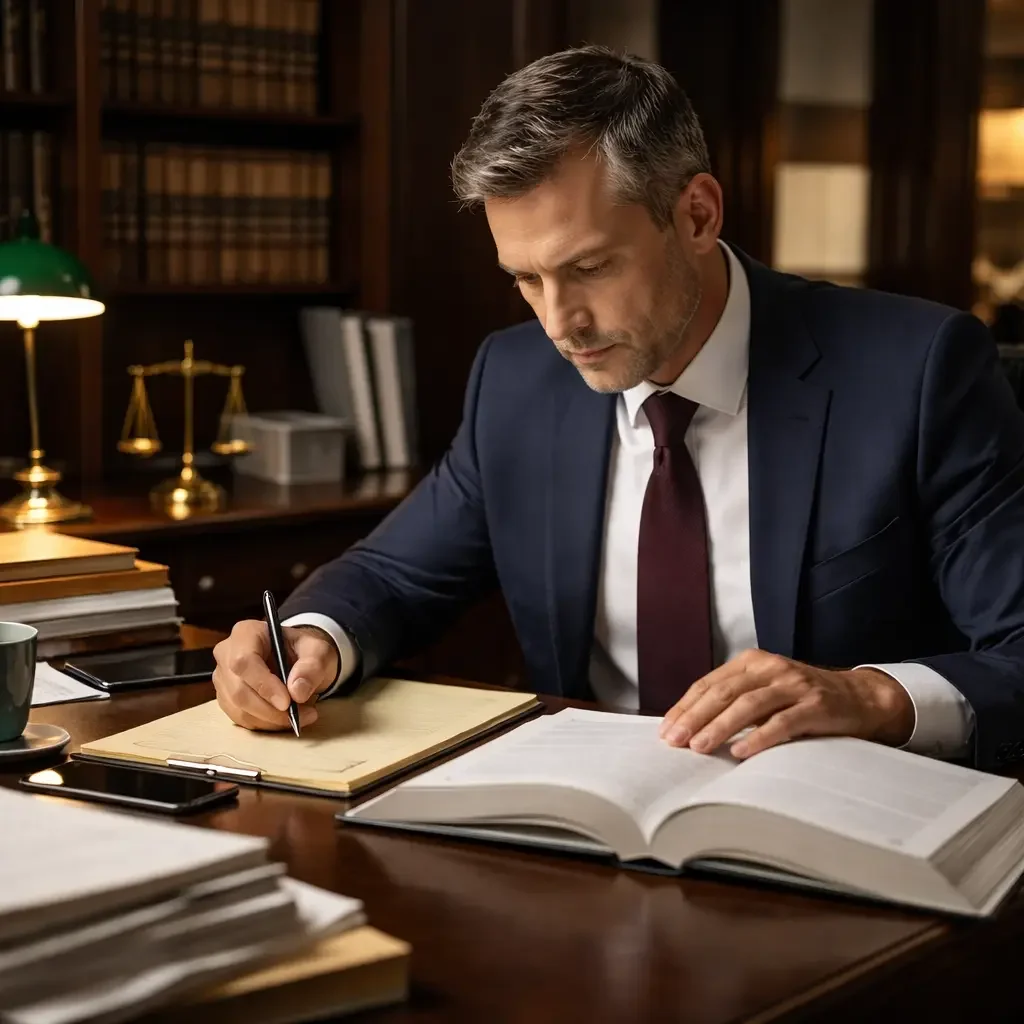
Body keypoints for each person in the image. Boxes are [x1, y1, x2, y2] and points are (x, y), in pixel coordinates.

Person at [212, 45, 1024, 770]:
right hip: (594, 835)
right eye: (526, 279)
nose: (560, 323)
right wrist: (311, 639)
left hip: (849, 829)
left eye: (591, 267)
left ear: (697, 216)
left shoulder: (916, 370)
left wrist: (870, 698)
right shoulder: (517, 380)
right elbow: (394, 575)